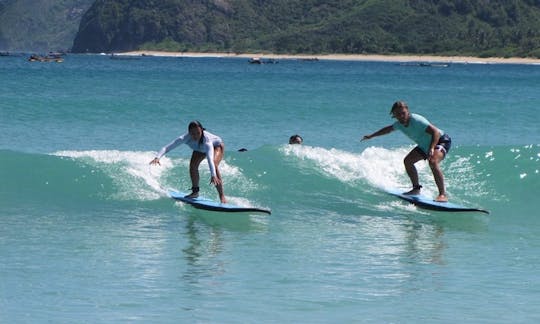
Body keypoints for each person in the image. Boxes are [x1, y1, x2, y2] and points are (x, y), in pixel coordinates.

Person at [361, 101, 452, 202]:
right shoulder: (399, 125)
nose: (401, 116)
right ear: (394, 115)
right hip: (424, 145)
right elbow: (388, 129)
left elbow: (435, 132)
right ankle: (416, 189)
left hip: (440, 140)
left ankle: (442, 195)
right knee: (408, 161)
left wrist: (431, 148)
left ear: (407, 112)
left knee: (433, 161)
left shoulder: (416, 120)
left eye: (403, 113)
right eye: (398, 114)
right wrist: (371, 136)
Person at [150, 120, 227, 203]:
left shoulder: (207, 142)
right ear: (189, 133)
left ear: (202, 130)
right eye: (193, 133)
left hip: (216, 147)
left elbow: (210, 159)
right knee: (193, 166)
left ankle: (222, 196)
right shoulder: (184, 138)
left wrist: (213, 175)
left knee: (214, 166)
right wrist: (157, 157)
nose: (196, 136)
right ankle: (195, 192)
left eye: (198, 133)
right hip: (199, 149)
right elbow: (166, 148)